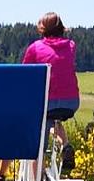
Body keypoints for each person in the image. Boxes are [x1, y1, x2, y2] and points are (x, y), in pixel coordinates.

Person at [22, 12, 80, 168]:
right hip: (71, 101)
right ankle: (65, 145)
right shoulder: (71, 45)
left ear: (42, 29)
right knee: (53, 120)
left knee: (39, 142)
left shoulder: (34, 48)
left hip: (47, 102)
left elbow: (24, 75)